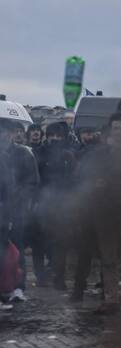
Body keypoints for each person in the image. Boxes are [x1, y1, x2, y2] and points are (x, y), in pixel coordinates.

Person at [80, 113, 121, 314]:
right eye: (116, 128)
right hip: (105, 213)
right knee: (108, 259)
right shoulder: (101, 154)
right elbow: (89, 178)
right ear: (111, 130)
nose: (119, 132)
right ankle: (111, 299)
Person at [0, 119, 39, 302]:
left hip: (16, 209)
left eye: (4, 132)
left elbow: (33, 182)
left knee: (16, 247)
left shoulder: (23, 153)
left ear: (11, 134)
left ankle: (18, 287)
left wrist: (18, 197)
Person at [36, 121, 78, 290]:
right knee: (42, 242)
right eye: (52, 135)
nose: (55, 139)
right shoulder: (39, 153)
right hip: (43, 203)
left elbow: (74, 178)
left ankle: (58, 278)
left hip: (63, 204)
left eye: (58, 136)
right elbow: (35, 178)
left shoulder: (69, 155)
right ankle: (42, 276)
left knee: (61, 242)